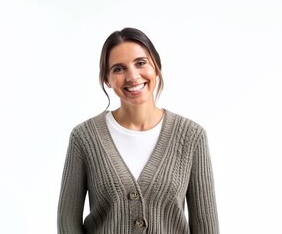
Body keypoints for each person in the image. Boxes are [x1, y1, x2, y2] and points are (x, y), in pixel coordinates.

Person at [57, 27, 219, 233]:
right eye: (118, 69)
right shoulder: (85, 137)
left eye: (141, 63)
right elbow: (67, 222)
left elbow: (206, 226)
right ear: (107, 79)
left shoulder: (191, 136)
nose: (132, 76)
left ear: (156, 66)